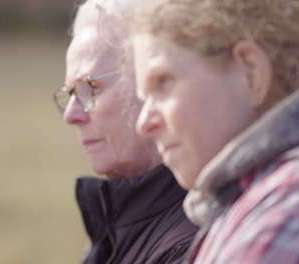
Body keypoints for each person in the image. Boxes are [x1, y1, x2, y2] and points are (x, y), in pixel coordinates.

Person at [131, 0, 299, 263]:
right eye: (144, 97)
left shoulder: (290, 212)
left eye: (164, 82)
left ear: (251, 72)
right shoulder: (254, 205)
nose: (144, 123)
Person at [53, 0, 198, 263]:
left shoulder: (186, 249)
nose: (70, 115)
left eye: (90, 89)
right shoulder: (119, 226)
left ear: (156, 83)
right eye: (71, 94)